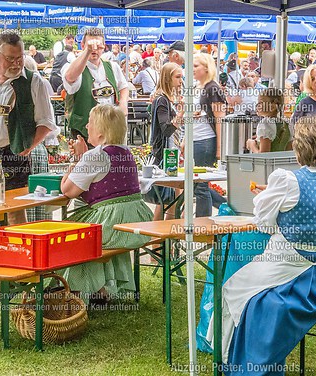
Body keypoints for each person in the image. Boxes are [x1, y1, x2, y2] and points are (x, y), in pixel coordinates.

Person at [221, 115, 316, 374]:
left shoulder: (287, 180)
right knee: (245, 290)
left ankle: (235, 362)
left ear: (298, 147)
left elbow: (265, 225)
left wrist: (270, 199)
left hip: (293, 267)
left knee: (233, 289)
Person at [60, 104, 153, 302]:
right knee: (93, 234)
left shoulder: (95, 155)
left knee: (74, 235)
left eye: (90, 123)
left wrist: (74, 161)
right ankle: (101, 288)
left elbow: (68, 190)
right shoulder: (126, 152)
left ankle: (75, 292)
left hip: (112, 222)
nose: (86, 127)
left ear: (101, 132)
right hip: (136, 220)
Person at [0, 31, 56, 224]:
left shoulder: (33, 81)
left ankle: (18, 252)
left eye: (20, 57)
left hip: (14, 155)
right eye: (10, 58)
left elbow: (46, 122)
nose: (16, 63)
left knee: (14, 210)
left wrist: (29, 146)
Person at [62, 28, 129, 141]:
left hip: (110, 130)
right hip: (83, 132)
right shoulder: (72, 66)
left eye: (98, 47)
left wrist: (123, 102)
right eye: (90, 46)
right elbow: (70, 77)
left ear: (104, 46)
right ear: (82, 46)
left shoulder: (112, 66)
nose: (94, 50)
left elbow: (123, 87)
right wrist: (87, 51)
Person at [183, 53, 225, 217]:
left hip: (206, 140)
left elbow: (219, 118)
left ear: (206, 68)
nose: (192, 69)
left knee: (201, 186)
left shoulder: (212, 88)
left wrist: (219, 148)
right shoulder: (197, 87)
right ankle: (228, 206)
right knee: (198, 185)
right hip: (196, 138)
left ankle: (202, 224)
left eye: (196, 66)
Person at [149, 63, 184, 221]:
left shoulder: (167, 99)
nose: (181, 81)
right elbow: (167, 129)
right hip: (164, 154)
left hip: (171, 153)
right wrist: (181, 114)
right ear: (167, 78)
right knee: (165, 200)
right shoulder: (161, 100)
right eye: (177, 77)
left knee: (170, 200)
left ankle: (167, 240)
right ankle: (161, 241)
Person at [246, 88, 283, 153]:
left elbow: (263, 155)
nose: (257, 105)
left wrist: (252, 145)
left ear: (272, 107)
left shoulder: (264, 124)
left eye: (261, 102)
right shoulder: (286, 124)